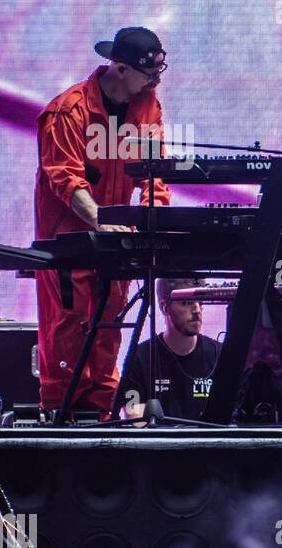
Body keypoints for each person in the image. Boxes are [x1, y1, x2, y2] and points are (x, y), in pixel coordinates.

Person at [34, 26, 170, 416]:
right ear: (121, 68)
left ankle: (102, 416)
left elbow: (154, 174)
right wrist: (99, 222)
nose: (156, 81)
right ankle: (62, 416)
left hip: (116, 241)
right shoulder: (67, 111)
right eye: (150, 73)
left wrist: (153, 220)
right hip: (67, 241)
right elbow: (65, 177)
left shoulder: (147, 108)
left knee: (110, 325)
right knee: (68, 328)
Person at [116, 277, 221, 421]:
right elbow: (136, 423)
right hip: (158, 443)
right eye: (186, 302)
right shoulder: (140, 357)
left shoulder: (219, 355)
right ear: (165, 307)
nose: (197, 310)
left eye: (200, 302)